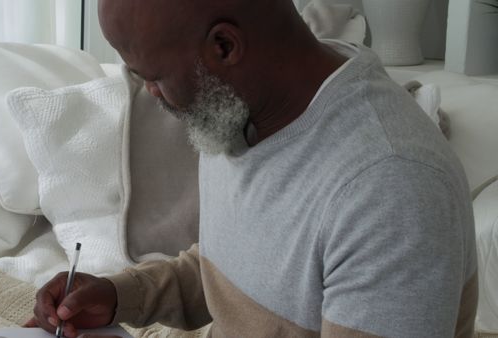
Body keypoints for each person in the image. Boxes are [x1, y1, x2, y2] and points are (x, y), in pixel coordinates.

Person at [26, 1, 478, 337]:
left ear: (224, 46)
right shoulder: (238, 110)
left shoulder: (390, 191)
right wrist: (121, 295)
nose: (151, 96)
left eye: (156, 77)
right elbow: (233, 270)